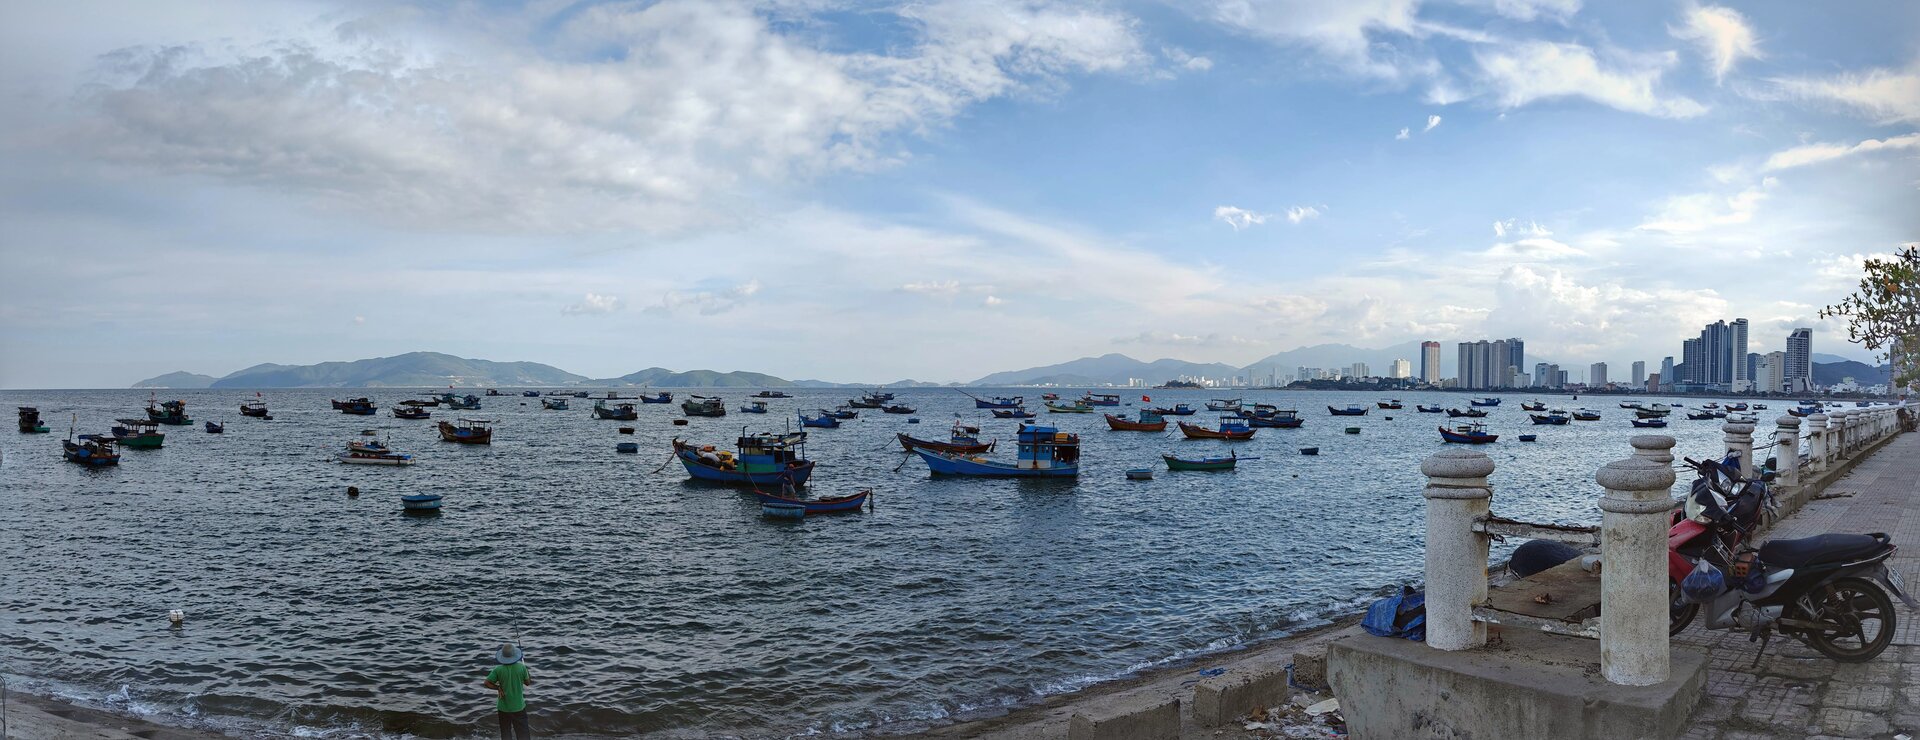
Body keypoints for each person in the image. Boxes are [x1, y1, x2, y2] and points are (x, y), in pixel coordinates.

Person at [483, 642, 533, 739]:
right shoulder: (522, 667)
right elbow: (528, 682)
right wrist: (527, 671)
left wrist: (497, 688)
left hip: (503, 708)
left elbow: (486, 683)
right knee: (523, 734)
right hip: (518, 706)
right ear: (514, 655)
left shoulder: (498, 669)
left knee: (505, 732)